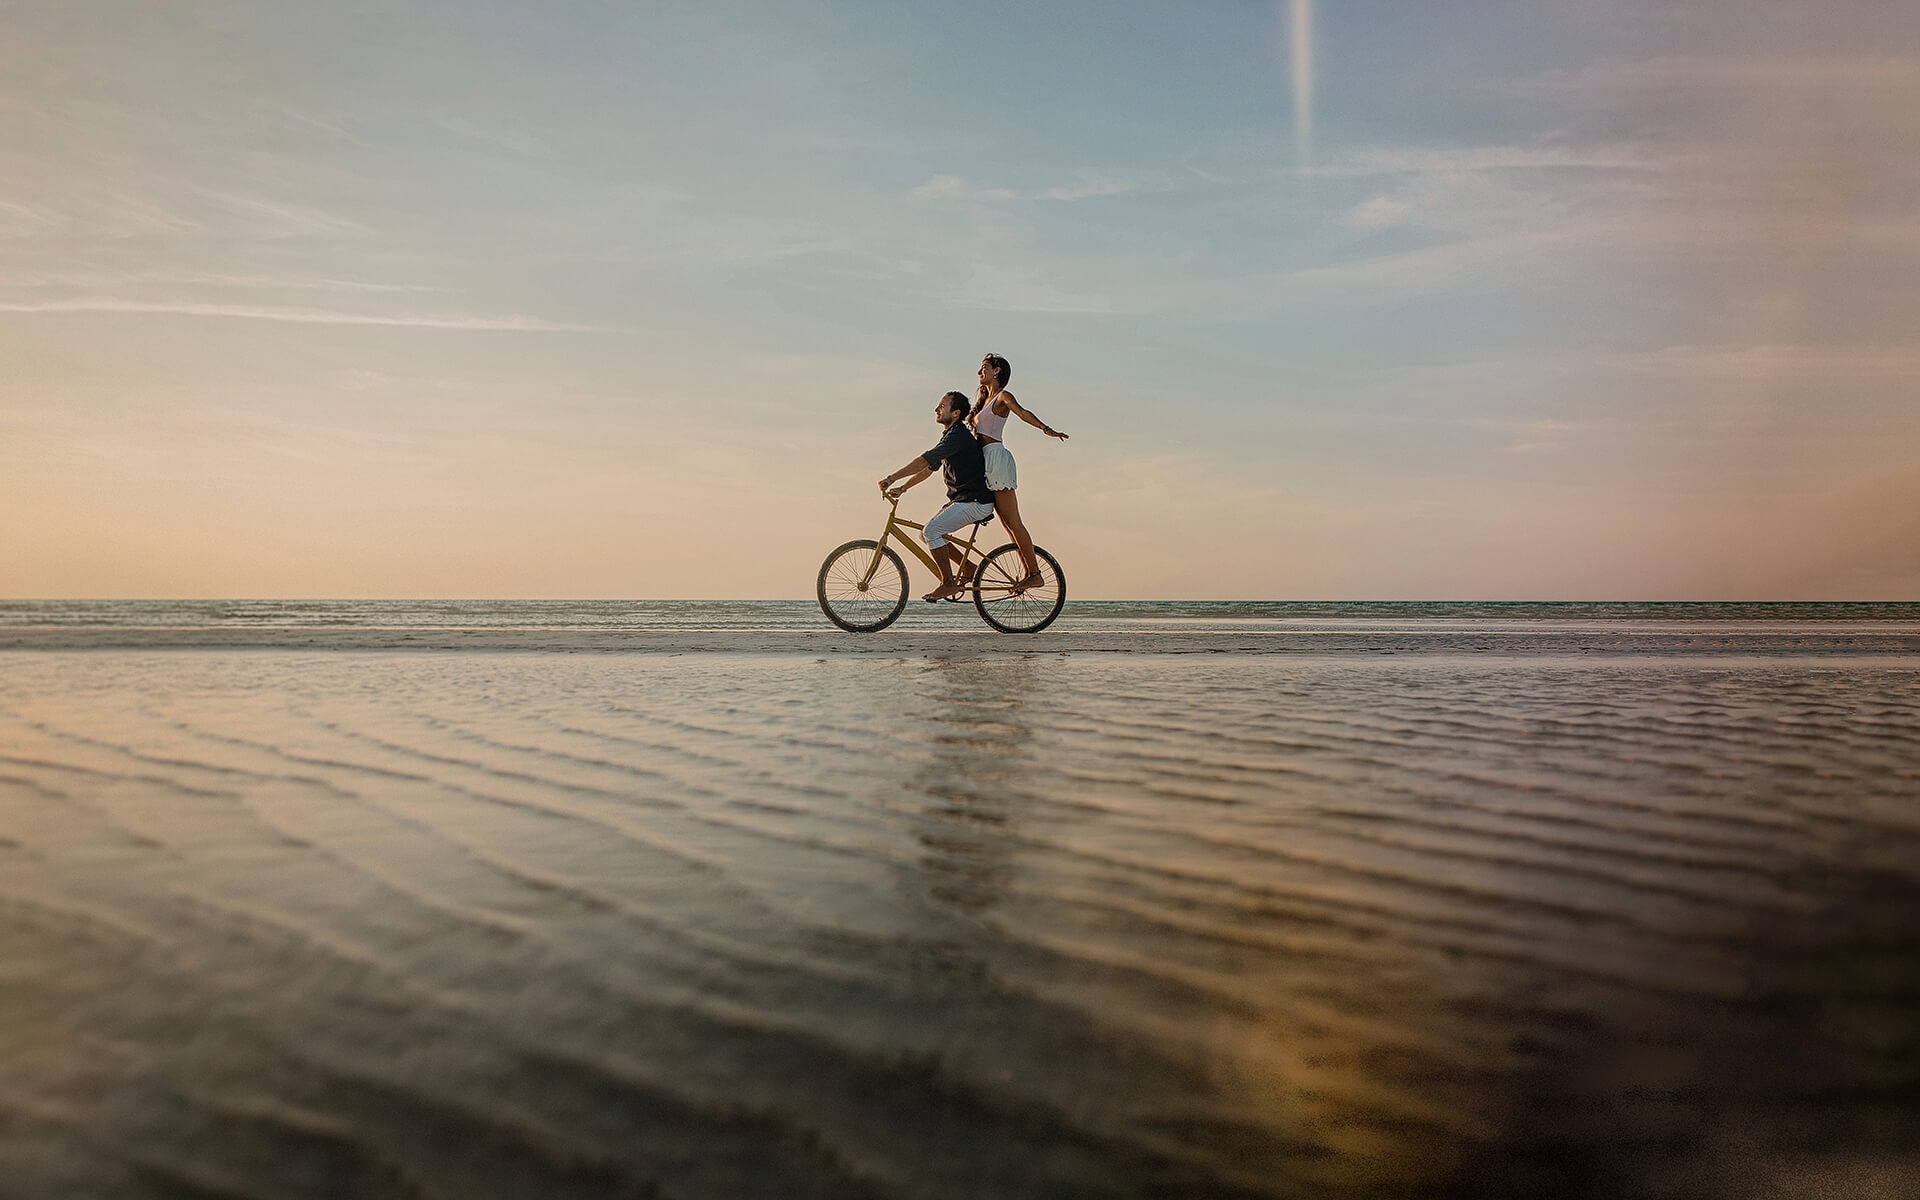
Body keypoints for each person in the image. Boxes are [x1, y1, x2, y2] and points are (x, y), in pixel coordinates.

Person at [878, 391, 996, 602]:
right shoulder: (952, 436)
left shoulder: (957, 435)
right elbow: (930, 468)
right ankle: (968, 568)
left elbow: (925, 460)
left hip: (974, 501)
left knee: (932, 530)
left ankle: (948, 582)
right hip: (966, 500)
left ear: (956, 413)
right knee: (926, 535)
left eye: (942, 406)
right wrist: (903, 488)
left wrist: (891, 478)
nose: (936, 409)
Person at [970, 353, 1068, 590]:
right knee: (1007, 523)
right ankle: (1029, 572)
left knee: (1014, 521)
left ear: (997, 371)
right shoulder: (983, 400)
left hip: (996, 458)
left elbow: (1022, 412)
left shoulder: (1002, 396)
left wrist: (1046, 429)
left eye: (984, 367)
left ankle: (1034, 573)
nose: (979, 372)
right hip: (984, 460)